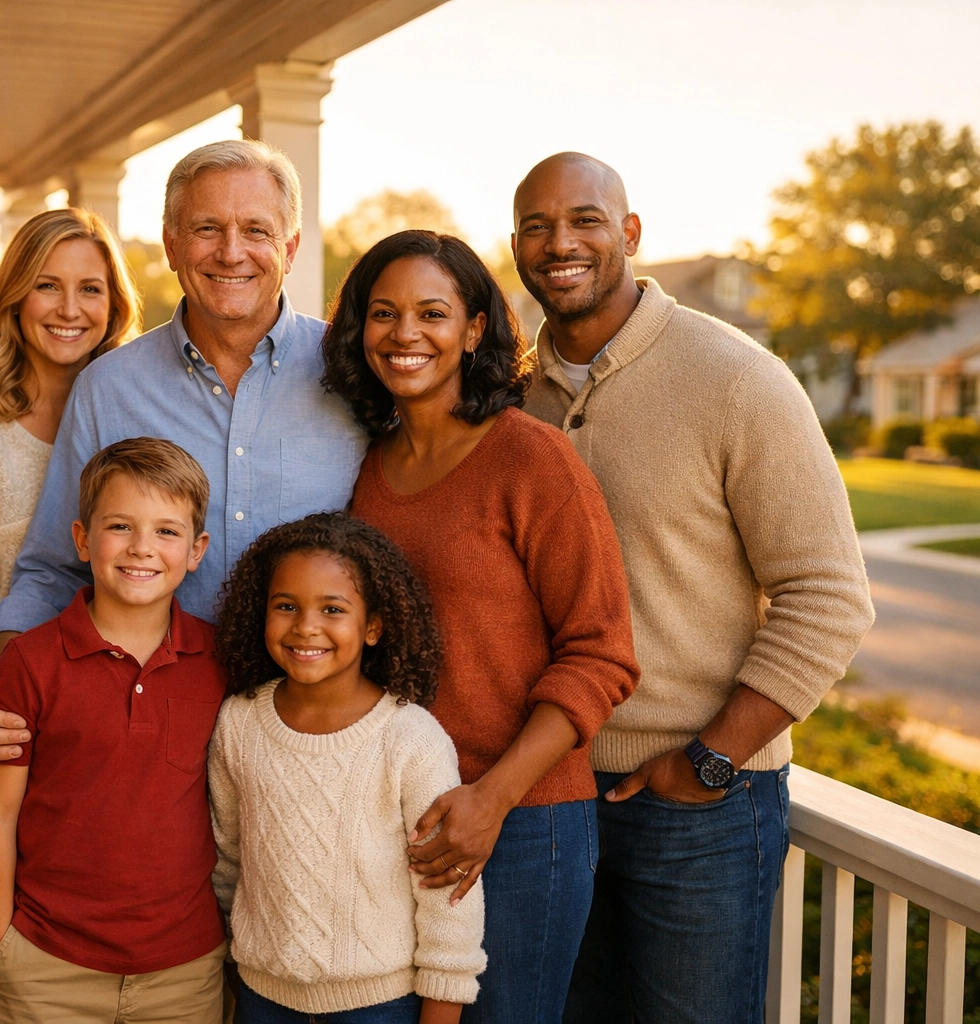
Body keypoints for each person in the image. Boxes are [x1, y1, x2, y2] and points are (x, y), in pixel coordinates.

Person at [504, 153, 874, 1023]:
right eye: (536, 225)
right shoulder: (513, 393)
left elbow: (829, 596)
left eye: (586, 219)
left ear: (630, 234)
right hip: (551, 799)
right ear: (515, 246)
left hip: (701, 808)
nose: (560, 243)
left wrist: (710, 759)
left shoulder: (737, 379)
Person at [0, 138, 367, 770]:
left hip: (319, 735)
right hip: (149, 736)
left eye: (256, 230)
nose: (232, 251)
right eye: (207, 228)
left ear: (289, 247)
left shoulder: (356, 373)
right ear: (172, 244)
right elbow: (54, 567)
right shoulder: (109, 387)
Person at [322, 230, 640, 1023]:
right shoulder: (365, 467)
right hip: (397, 816)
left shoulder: (531, 460)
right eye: (384, 313)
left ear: (473, 330)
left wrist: (491, 800)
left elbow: (602, 655)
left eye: (433, 312)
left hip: (525, 822)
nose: (405, 334)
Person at [0, 207, 141, 1022]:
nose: (69, 308)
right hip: (4, 738)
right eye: (47, 286)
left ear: (116, 303)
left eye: (90, 288)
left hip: (126, 745)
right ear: (11, 298)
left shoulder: (137, 422)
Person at [0, 438, 227, 1024]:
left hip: (183, 970)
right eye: (120, 526)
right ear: (83, 539)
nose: (142, 548)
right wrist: (0, 952)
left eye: (167, 531)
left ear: (196, 550)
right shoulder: (30, 663)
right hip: (47, 965)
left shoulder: (217, 663)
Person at [210, 512, 487, 1024]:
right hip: (261, 999)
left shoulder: (411, 738)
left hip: (381, 1006)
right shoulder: (239, 721)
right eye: (286, 606)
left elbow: (449, 895)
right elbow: (229, 856)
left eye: (332, 608)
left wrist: (441, 1010)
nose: (306, 626)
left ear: (374, 627)